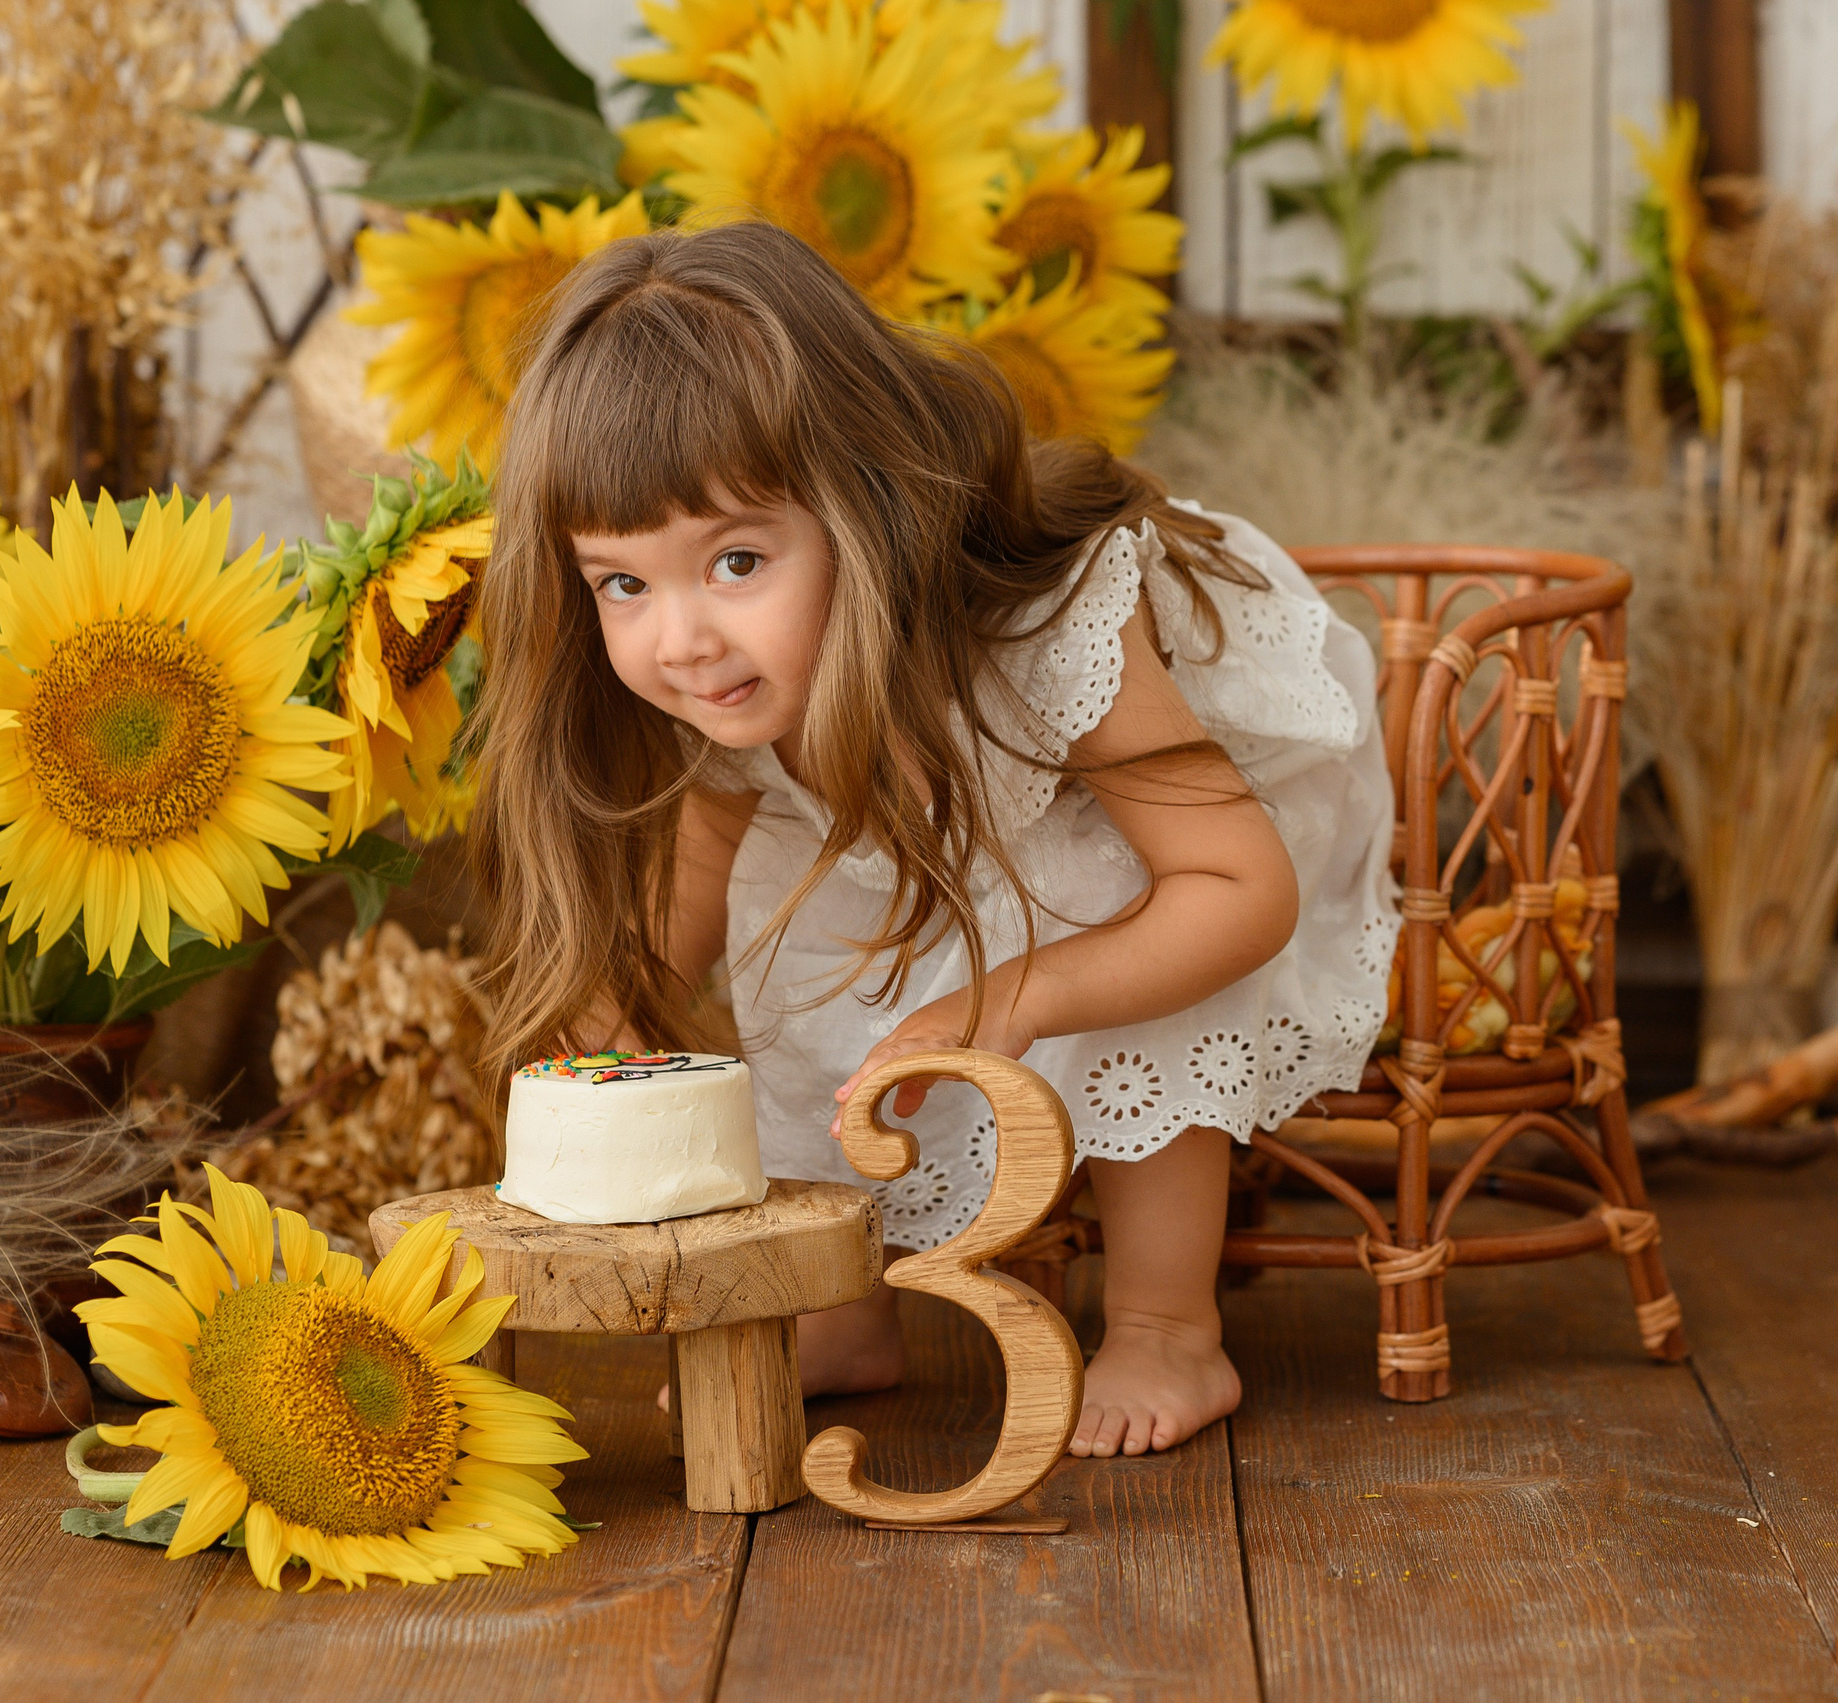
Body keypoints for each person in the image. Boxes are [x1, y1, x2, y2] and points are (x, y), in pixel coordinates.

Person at [470, 222, 1395, 1458]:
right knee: (795, 945)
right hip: (941, 825)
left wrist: (1010, 997)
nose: (678, 641)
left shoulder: (1047, 623)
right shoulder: (735, 680)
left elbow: (1236, 887)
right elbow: (698, 868)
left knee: (1111, 907)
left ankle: (1169, 1319)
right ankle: (844, 1299)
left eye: (734, 559)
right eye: (621, 584)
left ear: (866, 505)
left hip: (1208, 825)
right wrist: (614, 1008)